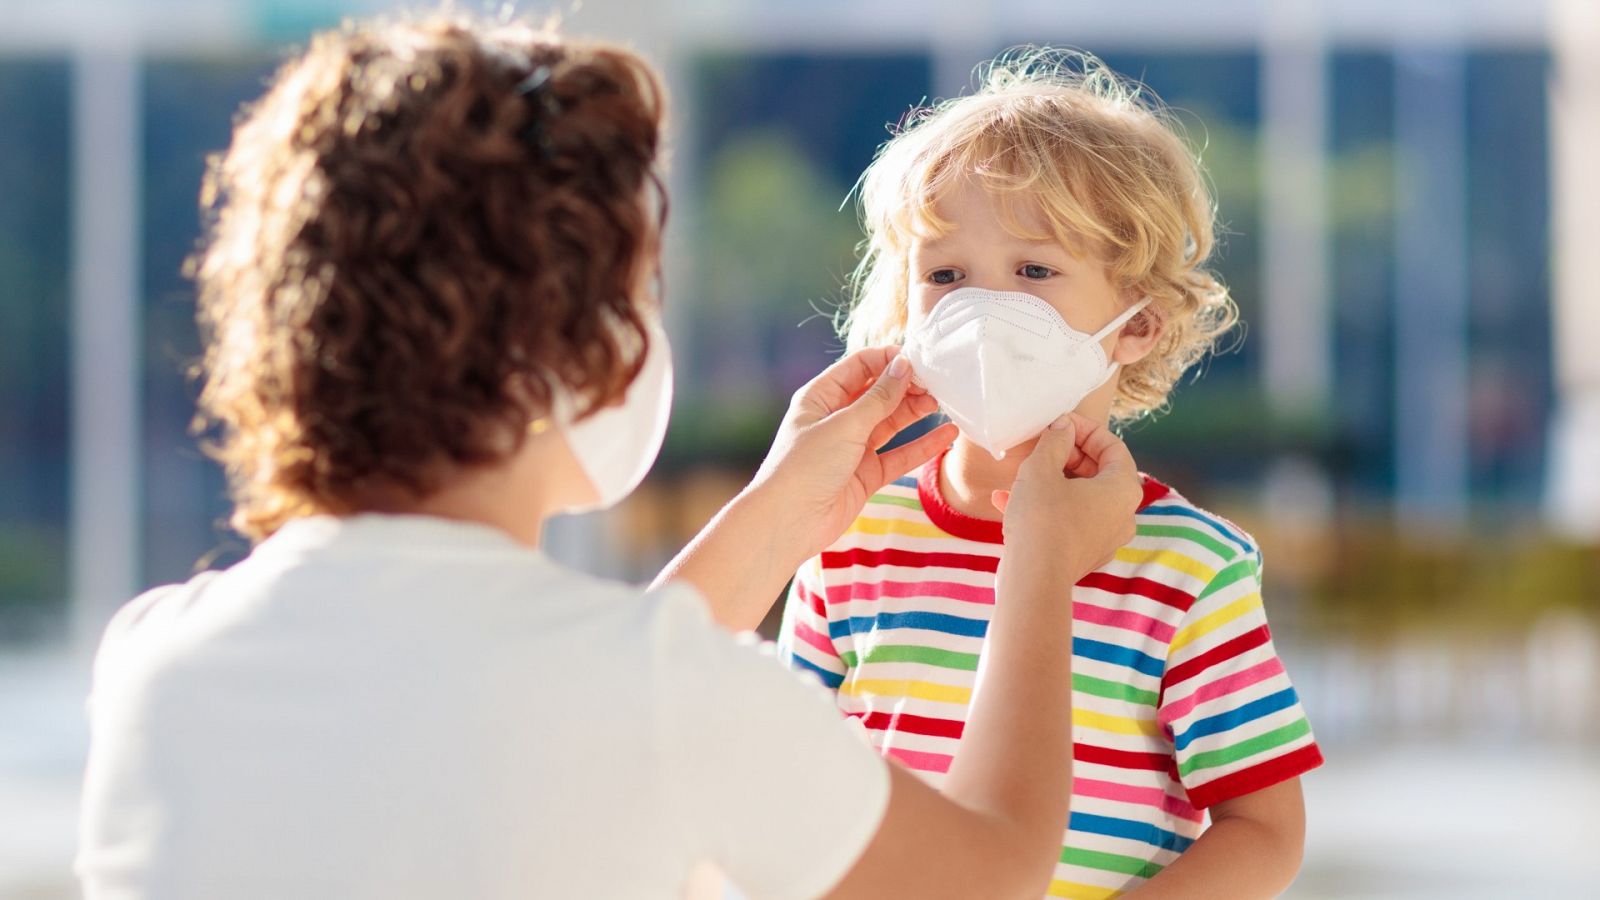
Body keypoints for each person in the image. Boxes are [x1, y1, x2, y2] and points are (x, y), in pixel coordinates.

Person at [74, 12, 1147, 900]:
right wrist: (1040, 565)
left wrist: (779, 509)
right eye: (641, 291)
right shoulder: (670, 698)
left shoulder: (152, 663)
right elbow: (994, 867)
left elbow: (561, 707)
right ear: (578, 344)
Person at [772, 51, 1324, 899]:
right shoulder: (847, 537)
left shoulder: (1189, 566)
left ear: (1141, 322)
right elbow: (781, 786)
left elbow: (1265, 830)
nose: (984, 310)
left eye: (1035, 271)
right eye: (945, 276)